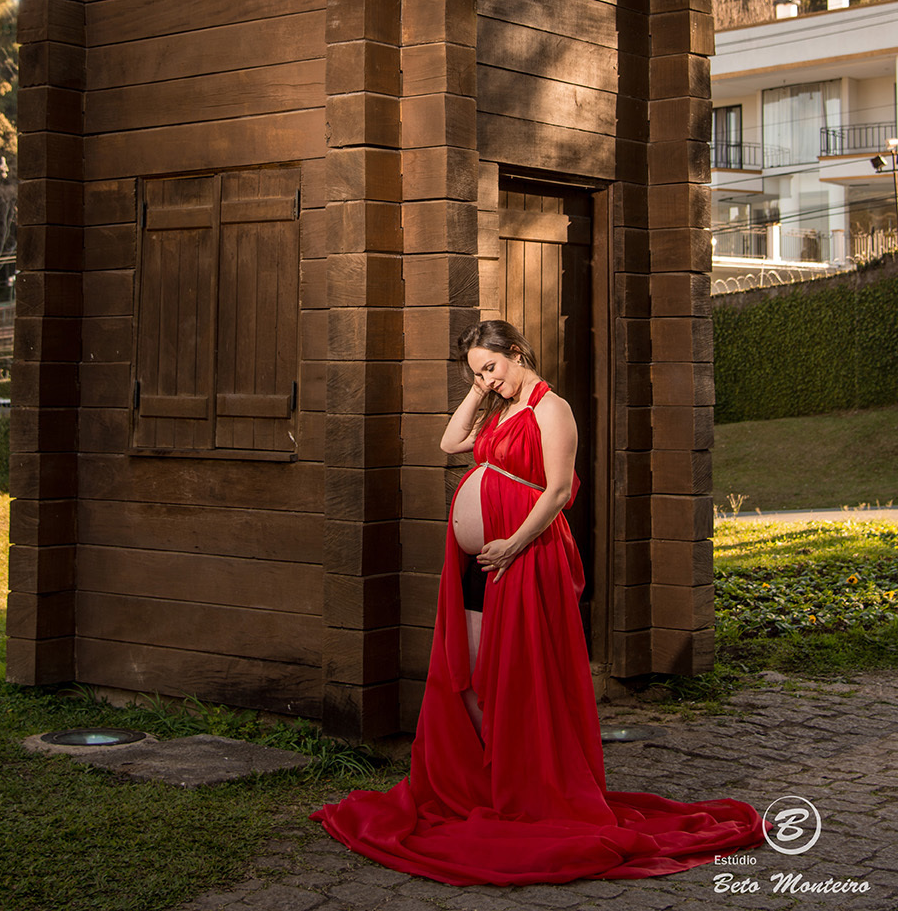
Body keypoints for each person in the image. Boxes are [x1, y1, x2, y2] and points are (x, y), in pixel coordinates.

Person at [311, 320, 764, 885]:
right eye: (477, 371)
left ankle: (526, 780)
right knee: (472, 667)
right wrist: (478, 390)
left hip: (525, 554)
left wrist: (513, 544)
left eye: (492, 367)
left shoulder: (554, 409)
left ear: (517, 352)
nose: (486, 378)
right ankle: (489, 776)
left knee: (515, 670)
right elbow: (450, 443)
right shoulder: (496, 410)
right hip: (480, 561)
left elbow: (556, 490)